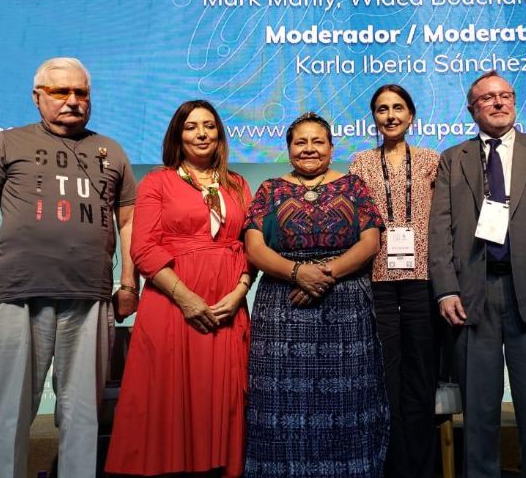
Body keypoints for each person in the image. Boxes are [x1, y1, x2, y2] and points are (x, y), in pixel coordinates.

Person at [0, 57, 138, 478]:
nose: (72, 101)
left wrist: (128, 283)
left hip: (90, 297)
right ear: (37, 97)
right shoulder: (7, 144)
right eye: (60, 92)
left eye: (81, 93)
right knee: (10, 413)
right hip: (19, 295)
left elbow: (128, 221)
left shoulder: (112, 150)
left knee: (83, 416)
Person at [429, 70, 526, 478]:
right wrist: (445, 290)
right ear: (471, 109)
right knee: (478, 408)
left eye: (505, 95)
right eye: (487, 98)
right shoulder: (453, 158)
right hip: (472, 293)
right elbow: (439, 229)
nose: (498, 103)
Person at [105, 100, 253, 477]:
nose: (201, 133)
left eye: (208, 125)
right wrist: (186, 298)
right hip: (172, 306)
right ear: (177, 135)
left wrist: (239, 293)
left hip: (226, 307)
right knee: (170, 401)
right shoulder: (158, 181)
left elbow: (252, 244)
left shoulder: (237, 183)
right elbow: (143, 248)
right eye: (191, 127)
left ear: (219, 133)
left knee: (224, 400)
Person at [243, 112, 389, 478]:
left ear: (331, 147)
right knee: (281, 402)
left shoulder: (354, 186)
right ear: (289, 148)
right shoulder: (270, 190)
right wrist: (297, 273)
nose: (309, 149)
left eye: (317, 141)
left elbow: (371, 240)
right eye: (300, 142)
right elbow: (255, 248)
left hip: (345, 303)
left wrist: (322, 275)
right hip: (282, 305)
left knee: (346, 399)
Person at [348, 84, 440, 478]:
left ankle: (422, 467)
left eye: (398, 108)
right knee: (385, 378)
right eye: (382, 109)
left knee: (420, 377)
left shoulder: (433, 160)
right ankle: (390, 466)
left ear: (411, 115)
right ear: (374, 117)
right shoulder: (360, 163)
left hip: (423, 278)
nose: (390, 115)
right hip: (378, 279)